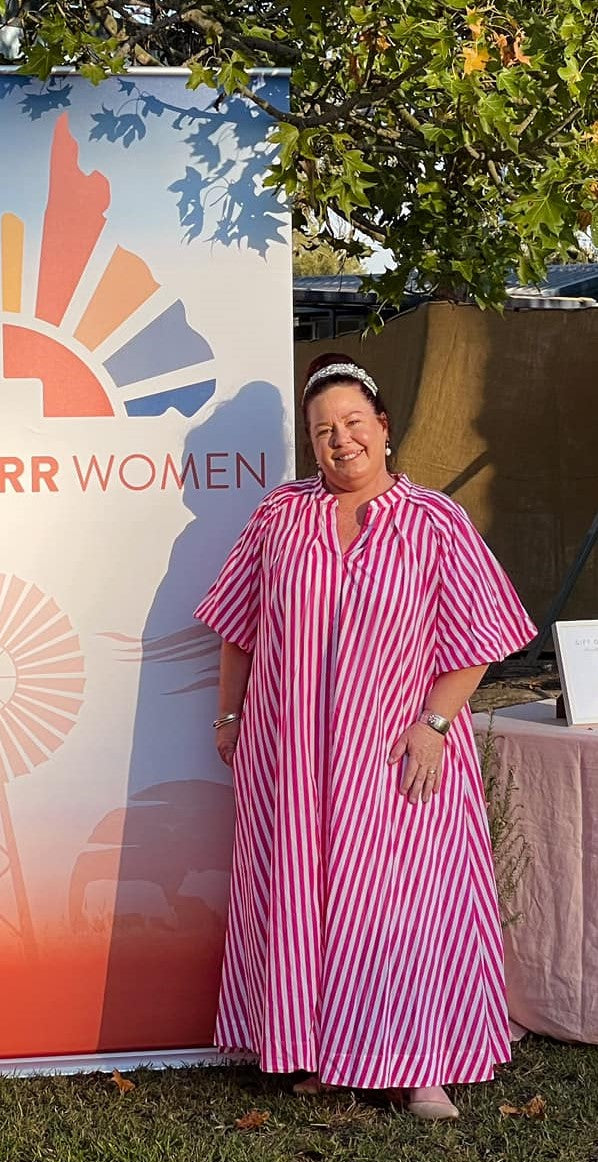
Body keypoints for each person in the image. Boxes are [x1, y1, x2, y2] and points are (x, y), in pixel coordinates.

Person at [195, 352, 536, 1121]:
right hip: (292, 755)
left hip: (396, 753)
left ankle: (422, 1068)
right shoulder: (279, 516)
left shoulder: (433, 521)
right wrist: (229, 715)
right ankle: (322, 1052)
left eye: (353, 423)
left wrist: (435, 724)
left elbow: (477, 636)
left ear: (384, 427)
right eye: (322, 431)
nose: (340, 440)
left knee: (407, 905)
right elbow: (236, 627)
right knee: (307, 899)